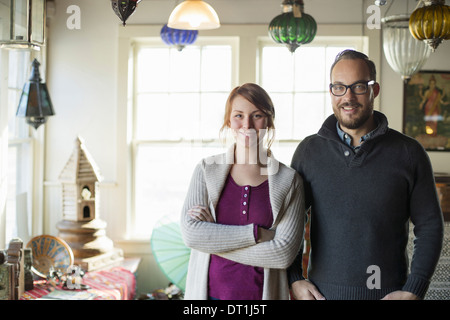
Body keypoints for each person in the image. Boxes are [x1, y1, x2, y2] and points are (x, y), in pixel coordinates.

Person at [288, 49, 444, 300]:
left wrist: (413, 290)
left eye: (358, 86)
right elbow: (290, 224)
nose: (348, 96)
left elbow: (429, 227)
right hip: (322, 297)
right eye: (339, 87)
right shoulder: (308, 152)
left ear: (375, 90)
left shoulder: (409, 152)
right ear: (331, 92)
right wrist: (294, 278)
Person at [180, 83, 305, 300]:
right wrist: (257, 234)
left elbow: (283, 254)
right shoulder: (205, 171)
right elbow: (192, 234)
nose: (247, 124)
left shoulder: (289, 180)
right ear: (229, 121)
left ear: (269, 121)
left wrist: (213, 238)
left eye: (257, 115)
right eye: (239, 115)